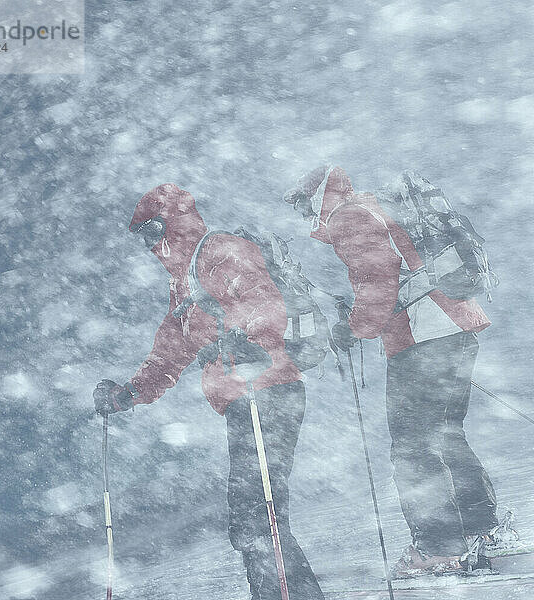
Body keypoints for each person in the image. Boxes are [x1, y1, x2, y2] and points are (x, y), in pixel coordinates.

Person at [93, 183, 325, 600]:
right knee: (253, 513)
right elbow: (170, 353)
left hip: (266, 391)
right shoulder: (183, 282)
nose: (149, 245)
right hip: (244, 397)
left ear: (171, 222)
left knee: (258, 513)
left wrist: (251, 338)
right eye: (143, 237)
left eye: (151, 231)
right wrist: (127, 394)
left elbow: (264, 302)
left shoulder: (219, 250)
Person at [284, 165, 500, 577]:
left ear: (316, 197)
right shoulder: (372, 206)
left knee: (413, 447)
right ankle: (480, 529)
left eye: (300, 204)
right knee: (446, 435)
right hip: (454, 327)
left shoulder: (348, 216)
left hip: (424, 337)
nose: (302, 216)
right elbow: (391, 272)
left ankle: (439, 547)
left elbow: (379, 282)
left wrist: (353, 327)